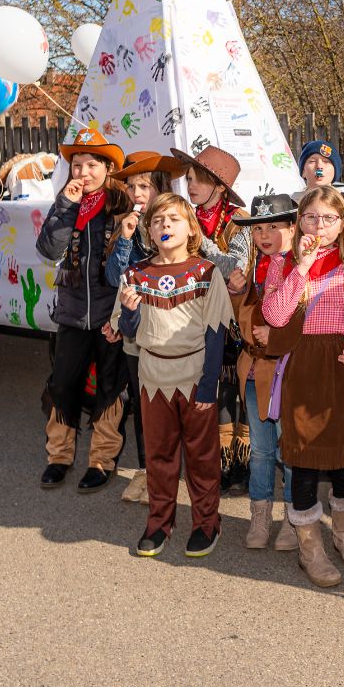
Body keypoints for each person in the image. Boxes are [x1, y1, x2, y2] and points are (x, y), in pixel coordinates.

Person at [261, 185, 344, 587]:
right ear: (299, 222)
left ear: (343, 224)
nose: (318, 225)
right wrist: (303, 267)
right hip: (303, 367)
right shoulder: (282, 264)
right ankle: (309, 547)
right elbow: (275, 316)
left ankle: (343, 533)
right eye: (310, 217)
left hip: (341, 368)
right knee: (305, 461)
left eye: (328, 218)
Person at [107, 192, 234, 558]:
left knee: (201, 456)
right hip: (152, 376)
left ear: (191, 228)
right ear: (149, 230)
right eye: (158, 220)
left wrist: (208, 387)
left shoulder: (206, 273)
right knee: (158, 455)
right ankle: (159, 522)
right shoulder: (135, 274)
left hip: (195, 375)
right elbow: (127, 331)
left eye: (174, 219)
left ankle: (206, 522)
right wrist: (130, 312)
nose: (165, 226)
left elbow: (216, 334)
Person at [36, 129, 132, 493]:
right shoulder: (65, 203)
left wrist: (121, 317)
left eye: (92, 165)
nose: (83, 173)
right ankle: (59, 457)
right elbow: (49, 249)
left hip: (110, 314)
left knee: (110, 387)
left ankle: (101, 461)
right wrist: (66, 206)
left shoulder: (122, 205)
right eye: (77, 165)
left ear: (108, 168)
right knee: (63, 384)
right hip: (72, 312)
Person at [170, 146, 252, 494]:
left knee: (236, 393)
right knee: (209, 396)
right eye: (188, 179)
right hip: (194, 319)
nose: (190, 186)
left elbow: (235, 267)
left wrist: (198, 239)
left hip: (232, 322)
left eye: (199, 180)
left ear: (220, 186)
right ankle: (215, 464)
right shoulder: (184, 217)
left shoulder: (240, 221)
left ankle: (241, 466)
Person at [106, 151, 185, 502]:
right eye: (131, 186)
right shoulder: (128, 226)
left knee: (172, 403)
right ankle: (145, 471)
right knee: (143, 404)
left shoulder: (176, 223)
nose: (137, 193)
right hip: (136, 330)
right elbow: (114, 277)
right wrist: (124, 239)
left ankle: (169, 473)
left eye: (144, 186)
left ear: (161, 188)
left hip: (171, 331)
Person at [232, 194, 301, 551]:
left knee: (289, 448)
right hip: (255, 368)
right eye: (258, 228)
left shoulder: (301, 269)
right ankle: (260, 515)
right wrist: (237, 292)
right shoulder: (251, 267)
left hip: (288, 370)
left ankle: (293, 516)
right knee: (260, 449)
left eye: (274, 226)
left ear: (293, 228)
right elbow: (239, 319)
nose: (264, 235)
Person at [297, 139, 344, 264]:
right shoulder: (292, 203)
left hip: (340, 270)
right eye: (312, 161)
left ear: (335, 171)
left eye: (326, 162)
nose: (319, 166)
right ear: (303, 171)